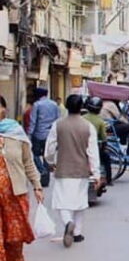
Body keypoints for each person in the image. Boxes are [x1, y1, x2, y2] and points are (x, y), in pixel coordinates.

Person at [0, 96, 43, 261]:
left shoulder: (16, 133)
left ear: (4, 109)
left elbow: (28, 162)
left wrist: (37, 185)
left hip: (14, 197)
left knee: (14, 238)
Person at [44, 94, 101, 248]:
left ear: (67, 107)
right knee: (80, 202)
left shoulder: (58, 125)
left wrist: (50, 161)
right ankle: (77, 233)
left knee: (61, 201)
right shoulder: (88, 127)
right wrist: (96, 174)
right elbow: (93, 152)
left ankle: (68, 222)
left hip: (63, 168)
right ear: (81, 107)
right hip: (82, 170)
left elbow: (50, 147)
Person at [27, 87, 60, 188]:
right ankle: (45, 180)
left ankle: (42, 170)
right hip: (50, 134)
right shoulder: (54, 104)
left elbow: (33, 121)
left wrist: (29, 134)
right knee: (47, 155)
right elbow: (58, 119)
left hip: (38, 134)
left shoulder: (37, 105)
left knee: (35, 154)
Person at [84, 96, 112, 185]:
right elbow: (104, 138)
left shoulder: (82, 118)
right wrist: (104, 148)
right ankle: (109, 180)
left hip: (81, 146)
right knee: (106, 159)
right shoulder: (100, 121)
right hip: (94, 146)